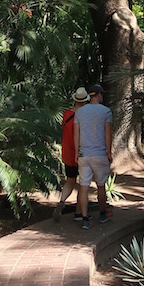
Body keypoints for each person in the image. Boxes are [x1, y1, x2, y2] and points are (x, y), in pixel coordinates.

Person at [74, 82, 113, 230]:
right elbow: (108, 133)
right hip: (99, 154)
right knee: (101, 185)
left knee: (83, 187)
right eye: (102, 94)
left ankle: (85, 219)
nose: (102, 96)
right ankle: (102, 214)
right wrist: (109, 152)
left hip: (84, 154)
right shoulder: (106, 112)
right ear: (98, 95)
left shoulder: (80, 112)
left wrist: (77, 153)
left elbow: (76, 134)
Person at [53, 87, 89, 222]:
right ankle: (79, 213)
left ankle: (62, 202)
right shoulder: (84, 117)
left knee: (70, 181)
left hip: (68, 153)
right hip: (81, 153)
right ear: (85, 101)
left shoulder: (67, 114)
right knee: (83, 184)